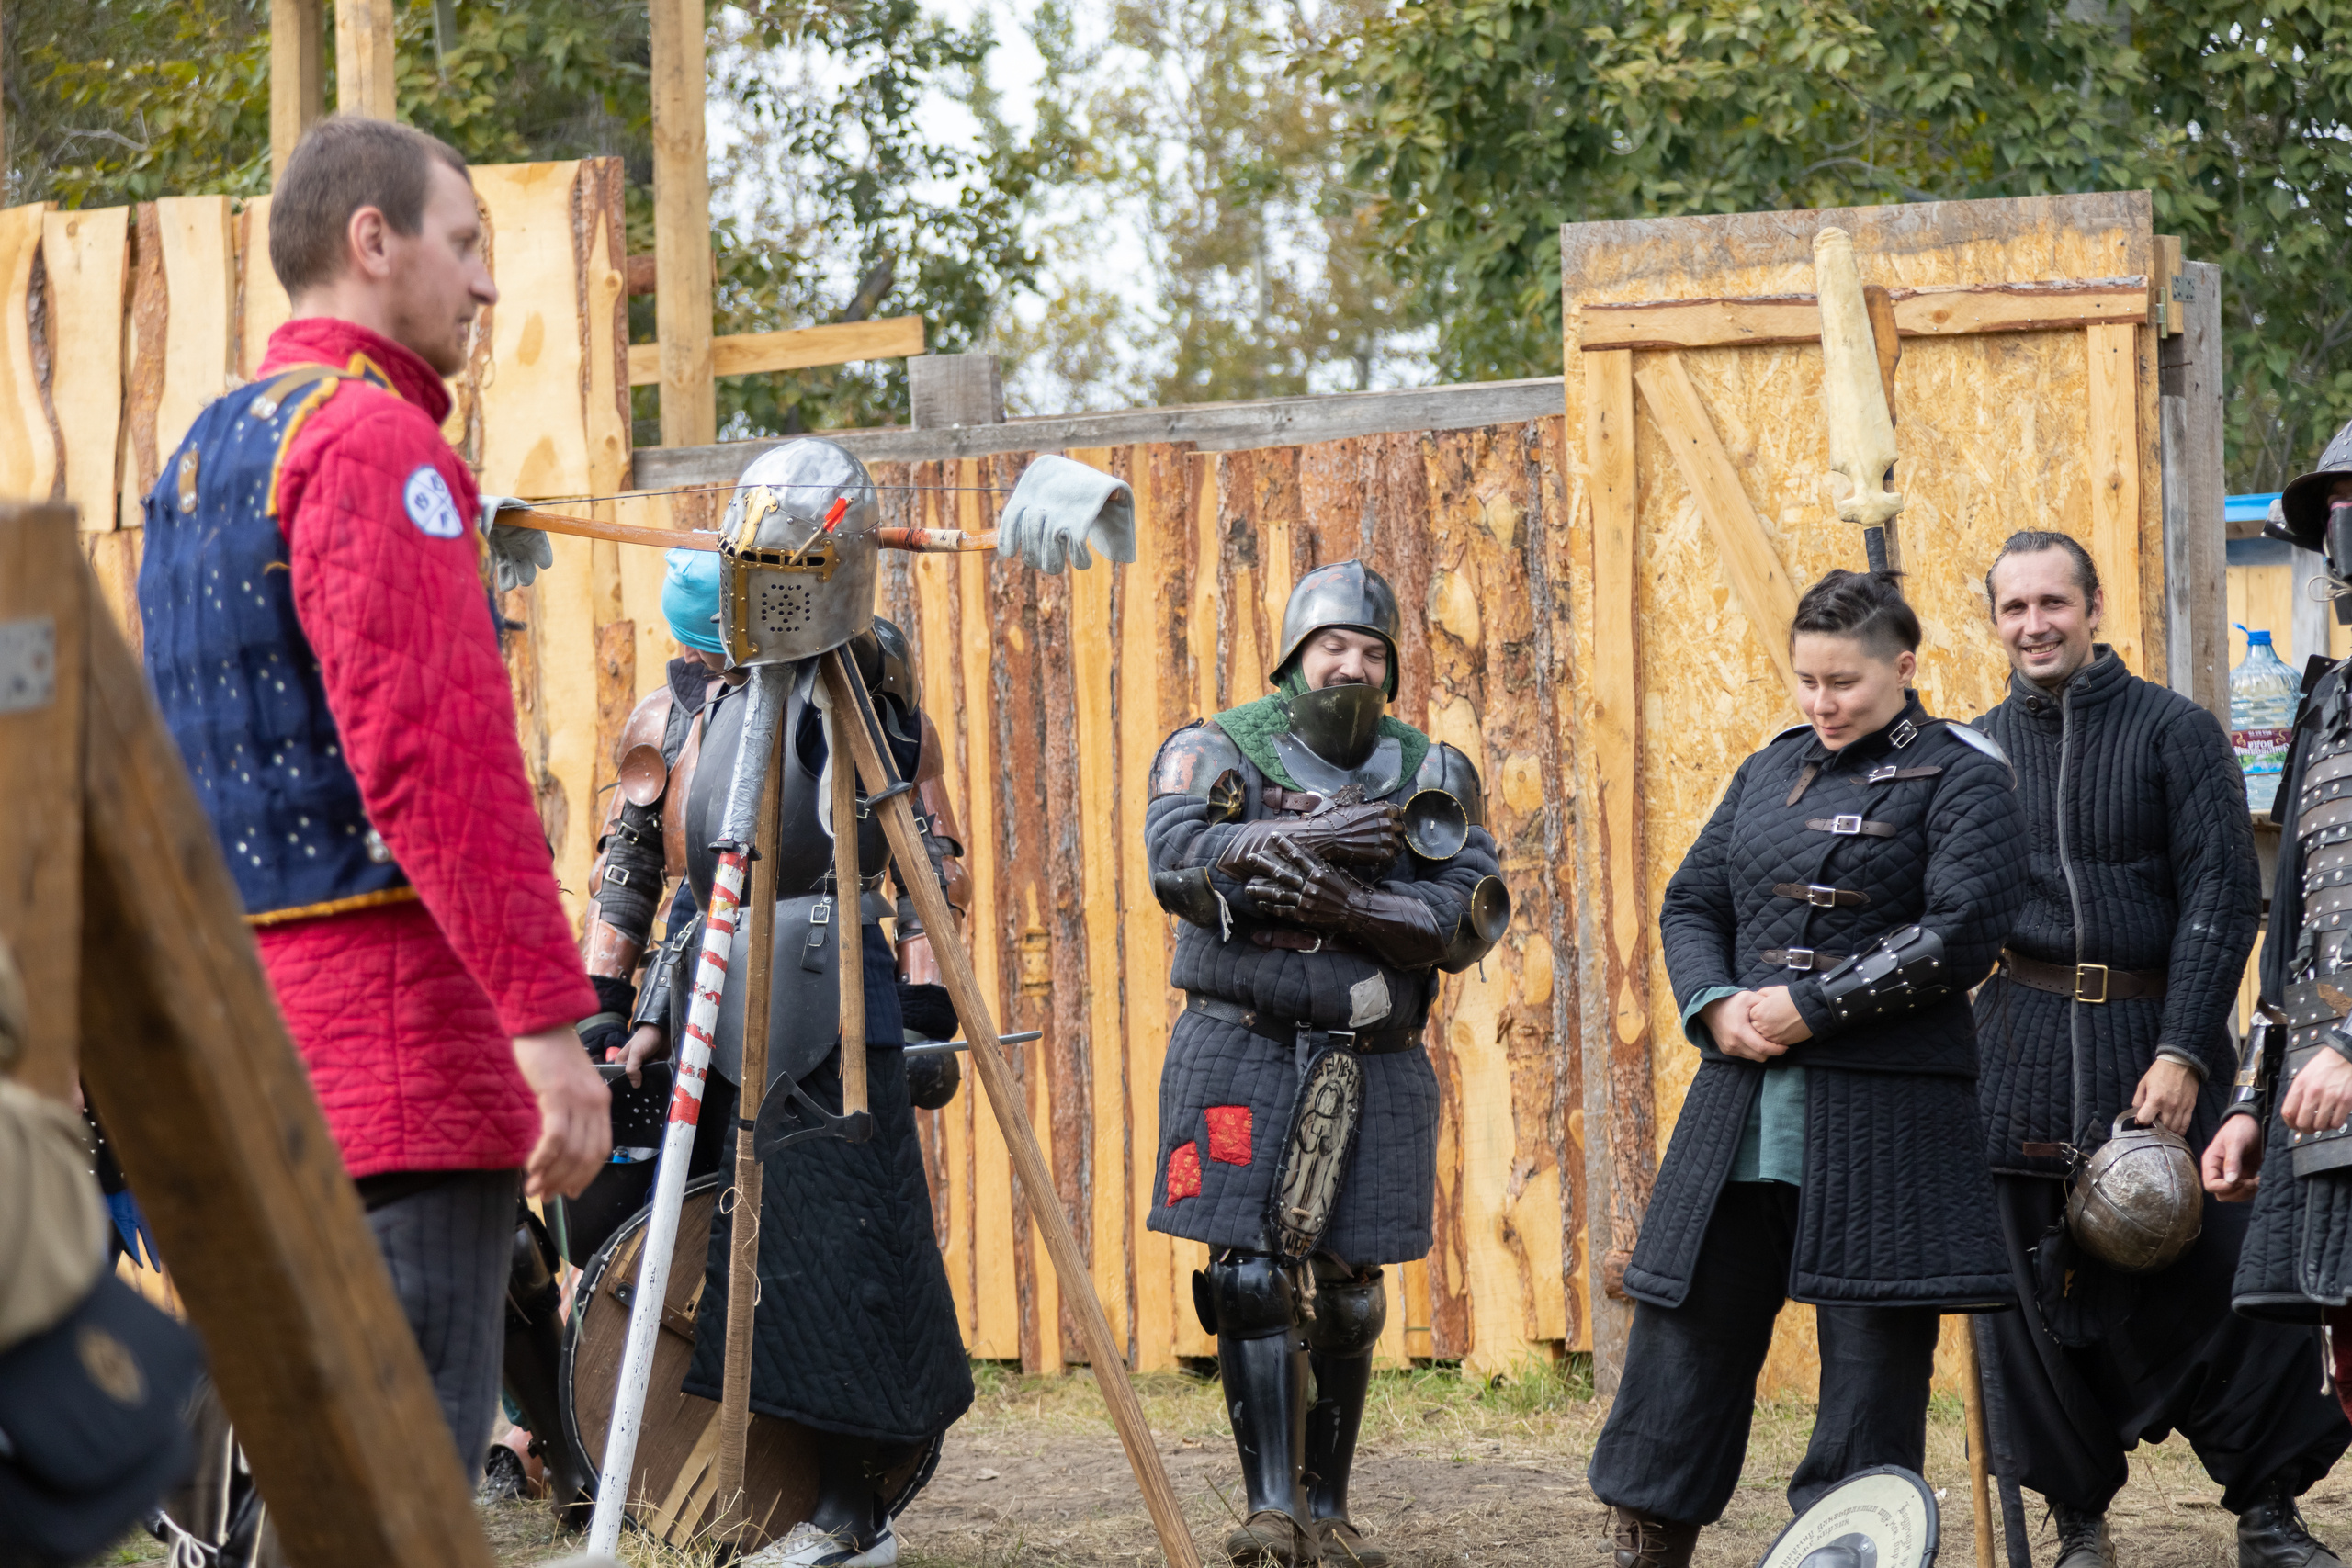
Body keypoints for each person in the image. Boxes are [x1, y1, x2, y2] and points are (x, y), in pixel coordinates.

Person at [135, 116, 610, 1477]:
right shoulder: (374, 447)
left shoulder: (198, 460)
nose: (486, 285)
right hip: (397, 1072)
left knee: (293, 1489)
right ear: (372, 240)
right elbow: (437, 763)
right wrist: (547, 1026)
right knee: (391, 1499)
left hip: (250, 1068)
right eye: (465, 246)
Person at [1588, 570, 2026, 1568]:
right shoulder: (1769, 768)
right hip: (1740, 1113)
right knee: (1683, 1336)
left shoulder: (1967, 777)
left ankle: (1845, 1554)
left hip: (1890, 1124)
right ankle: (1647, 1543)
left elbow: (1960, 935)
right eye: (1806, 682)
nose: (1822, 704)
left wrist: (1809, 1007)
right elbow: (1691, 901)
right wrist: (1715, 1004)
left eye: (1844, 684)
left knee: (1871, 1368)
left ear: (1903, 668)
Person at [599, 451, 973, 1568]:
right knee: (728, 1243)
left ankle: (854, 1514)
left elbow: (928, 860)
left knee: (838, 1245)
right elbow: (678, 878)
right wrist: (630, 1007)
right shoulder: (700, 704)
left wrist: (925, 993)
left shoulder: (864, 690)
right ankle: (733, 1487)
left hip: (830, 979)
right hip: (717, 981)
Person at [1967, 531, 2346, 1568]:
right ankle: (2076, 1522)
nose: (2035, 624)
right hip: (2021, 1063)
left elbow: (2224, 898)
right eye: (2014, 608)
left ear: (2093, 608)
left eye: (2054, 602)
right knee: (2031, 1317)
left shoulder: (2176, 734)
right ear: (1993, 623)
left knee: (2242, 1282)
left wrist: (2183, 1049)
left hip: (2160, 1046)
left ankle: (2267, 1510)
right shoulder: (1973, 754)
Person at [1144, 560, 1510, 1568]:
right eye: (1332, 646)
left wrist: (1342, 906)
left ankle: (1329, 1507)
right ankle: (1269, 1512)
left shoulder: (1427, 767)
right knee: (1252, 1277)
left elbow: (1465, 910)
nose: (1350, 663)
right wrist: (1304, 835)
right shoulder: (1216, 746)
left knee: (1348, 1283)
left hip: (1373, 1046)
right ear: (1294, 655)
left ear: (1391, 667)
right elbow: (1176, 856)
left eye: (1371, 650)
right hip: (1243, 1038)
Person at [2215, 418, 2352, 1524]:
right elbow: (2296, 919)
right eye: (2339, 512)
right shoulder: (2326, 702)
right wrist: (2256, 1096)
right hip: (2323, 1103)